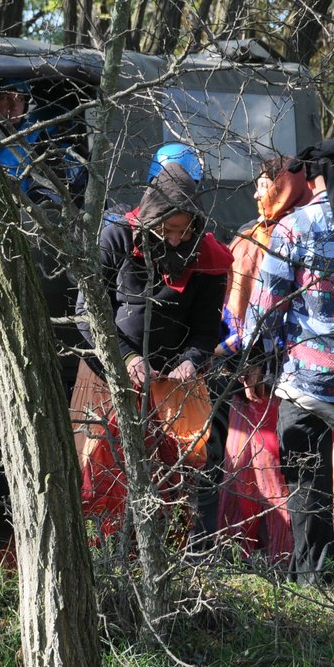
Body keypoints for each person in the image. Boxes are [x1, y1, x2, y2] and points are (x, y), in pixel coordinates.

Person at [74, 161, 232, 541]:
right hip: (108, 374)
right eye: (166, 230)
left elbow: (207, 328)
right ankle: (103, 555)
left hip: (175, 385)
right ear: (149, 219)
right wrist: (126, 359)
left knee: (178, 476)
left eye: (184, 230)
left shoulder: (208, 256)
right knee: (102, 474)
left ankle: (170, 559)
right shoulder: (116, 237)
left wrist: (191, 362)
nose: (175, 240)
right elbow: (87, 314)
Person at [244, 138, 334, 585]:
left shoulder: (293, 227)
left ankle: (314, 579)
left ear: (312, 178)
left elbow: (267, 303)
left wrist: (255, 360)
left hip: (308, 381)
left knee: (307, 483)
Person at [214, 154, 311, 562]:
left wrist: (255, 357)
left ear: (284, 186)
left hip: (279, 373)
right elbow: (234, 303)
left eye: (264, 184)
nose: (255, 192)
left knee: (272, 465)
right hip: (244, 368)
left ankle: (282, 553)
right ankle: (239, 549)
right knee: (240, 462)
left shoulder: (299, 232)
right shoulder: (252, 233)